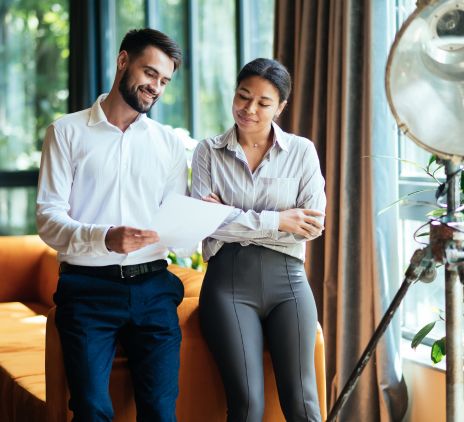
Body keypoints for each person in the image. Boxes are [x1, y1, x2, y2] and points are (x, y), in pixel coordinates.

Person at [36, 28, 187, 422]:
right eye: (149, 73)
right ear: (123, 62)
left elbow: (174, 223)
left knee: (160, 411)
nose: (156, 87)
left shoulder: (168, 145)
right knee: (91, 410)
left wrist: (193, 221)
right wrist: (104, 237)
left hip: (154, 289)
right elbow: (48, 220)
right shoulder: (66, 132)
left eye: (164, 81)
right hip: (87, 291)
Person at [191, 58, 326, 422]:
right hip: (227, 286)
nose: (249, 109)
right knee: (247, 406)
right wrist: (280, 220)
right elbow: (206, 225)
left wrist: (230, 215)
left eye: (264, 102)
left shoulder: (301, 152)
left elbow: (313, 224)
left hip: (290, 284)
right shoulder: (208, 152)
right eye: (243, 96)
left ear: (280, 107)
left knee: (303, 405)